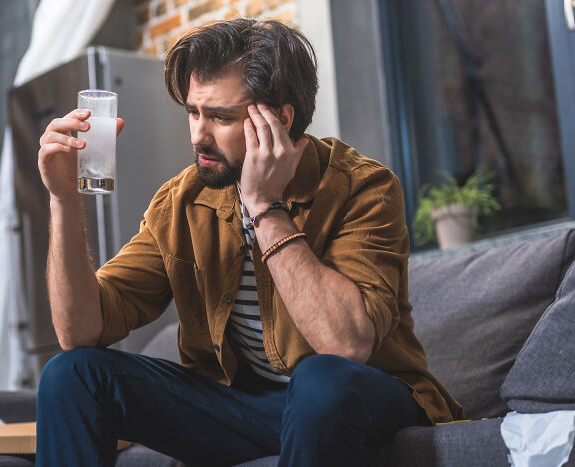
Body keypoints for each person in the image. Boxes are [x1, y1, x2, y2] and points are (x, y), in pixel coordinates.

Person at [35, 18, 463, 467]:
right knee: (71, 375)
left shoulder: (363, 188)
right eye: (193, 112)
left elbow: (346, 345)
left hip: (359, 401)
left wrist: (264, 207)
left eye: (220, 117)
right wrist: (63, 200)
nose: (199, 135)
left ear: (279, 119)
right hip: (245, 410)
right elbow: (79, 331)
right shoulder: (181, 202)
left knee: (321, 379)